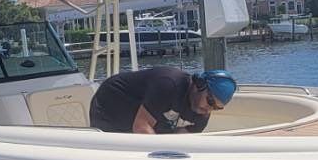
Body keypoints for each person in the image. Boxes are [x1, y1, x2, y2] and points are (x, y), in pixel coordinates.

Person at [89, 67, 237, 134]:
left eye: (217, 108)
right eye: (210, 102)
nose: (209, 110)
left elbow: (183, 140)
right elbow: (141, 128)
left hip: (140, 114)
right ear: (199, 85)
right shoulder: (169, 83)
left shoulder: (203, 112)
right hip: (110, 104)